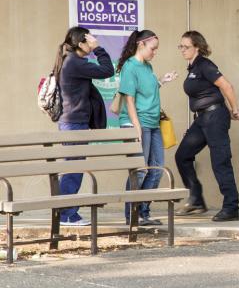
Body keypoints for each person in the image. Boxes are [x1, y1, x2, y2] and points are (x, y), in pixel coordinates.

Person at [174, 31, 239, 222]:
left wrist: (234, 109)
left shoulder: (205, 65)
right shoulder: (193, 68)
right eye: (180, 46)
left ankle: (231, 207)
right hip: (202, 119)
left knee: (220, 162)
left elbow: (227, 86)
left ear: (197, 46)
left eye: (186, 46)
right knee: (182, 156)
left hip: (214, 118)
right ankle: (196, 199)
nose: (182, 50)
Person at [116, 30, 178, 226]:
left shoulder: (148, 66)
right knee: (140, 171)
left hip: (153, 123)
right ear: (141, 45)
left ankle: (143, 212)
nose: (155, 52)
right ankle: (131, 215)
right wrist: (137, 129)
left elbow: (146, 92)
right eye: (153, 48)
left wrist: (161, 81)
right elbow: (130, 99)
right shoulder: (130, 67)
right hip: (139, 124)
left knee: (157, 169)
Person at [53, 26, 114, 226]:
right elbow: (107, 70)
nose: (92, 42)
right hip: (74, 124)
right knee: (74, 169)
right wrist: (98, 49)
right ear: (81, 44)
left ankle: (66, 213)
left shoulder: (70, 62)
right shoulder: (74, 63)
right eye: (89, 40)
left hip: (73, 123)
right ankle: (66, 214)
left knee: (74, 167)